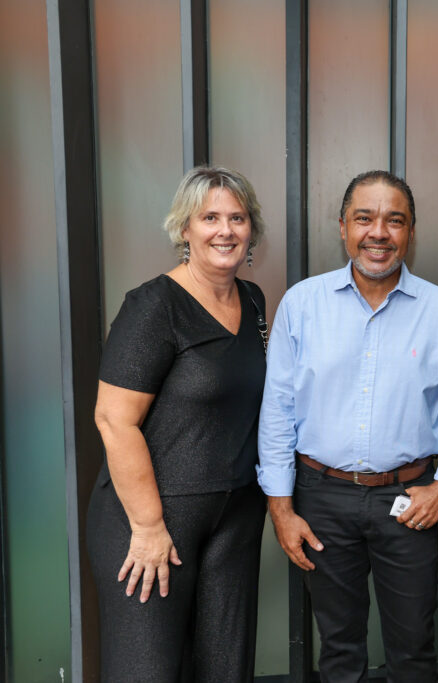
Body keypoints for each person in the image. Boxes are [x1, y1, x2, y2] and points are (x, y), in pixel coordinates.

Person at [257, 170, 438, 681]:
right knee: (338, 649)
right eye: (364, 218)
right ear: (343, 227)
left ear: (410, 232)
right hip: (321, 498)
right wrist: (281, 508)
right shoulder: (302, 305)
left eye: (394, 220)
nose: (378, 232)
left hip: (409, 502)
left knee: (413, 649)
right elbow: (277, 409)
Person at [86, 166, 268, 681]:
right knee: (149, 669)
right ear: (184, 228)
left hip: (234, 515)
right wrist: (146, 528)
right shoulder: (153, 307)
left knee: (225, 669)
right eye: (209, 217)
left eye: (237, 217)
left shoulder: (252, 301)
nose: (225, 230)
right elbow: (114, 420)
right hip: (153, 521)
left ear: (251, 229)